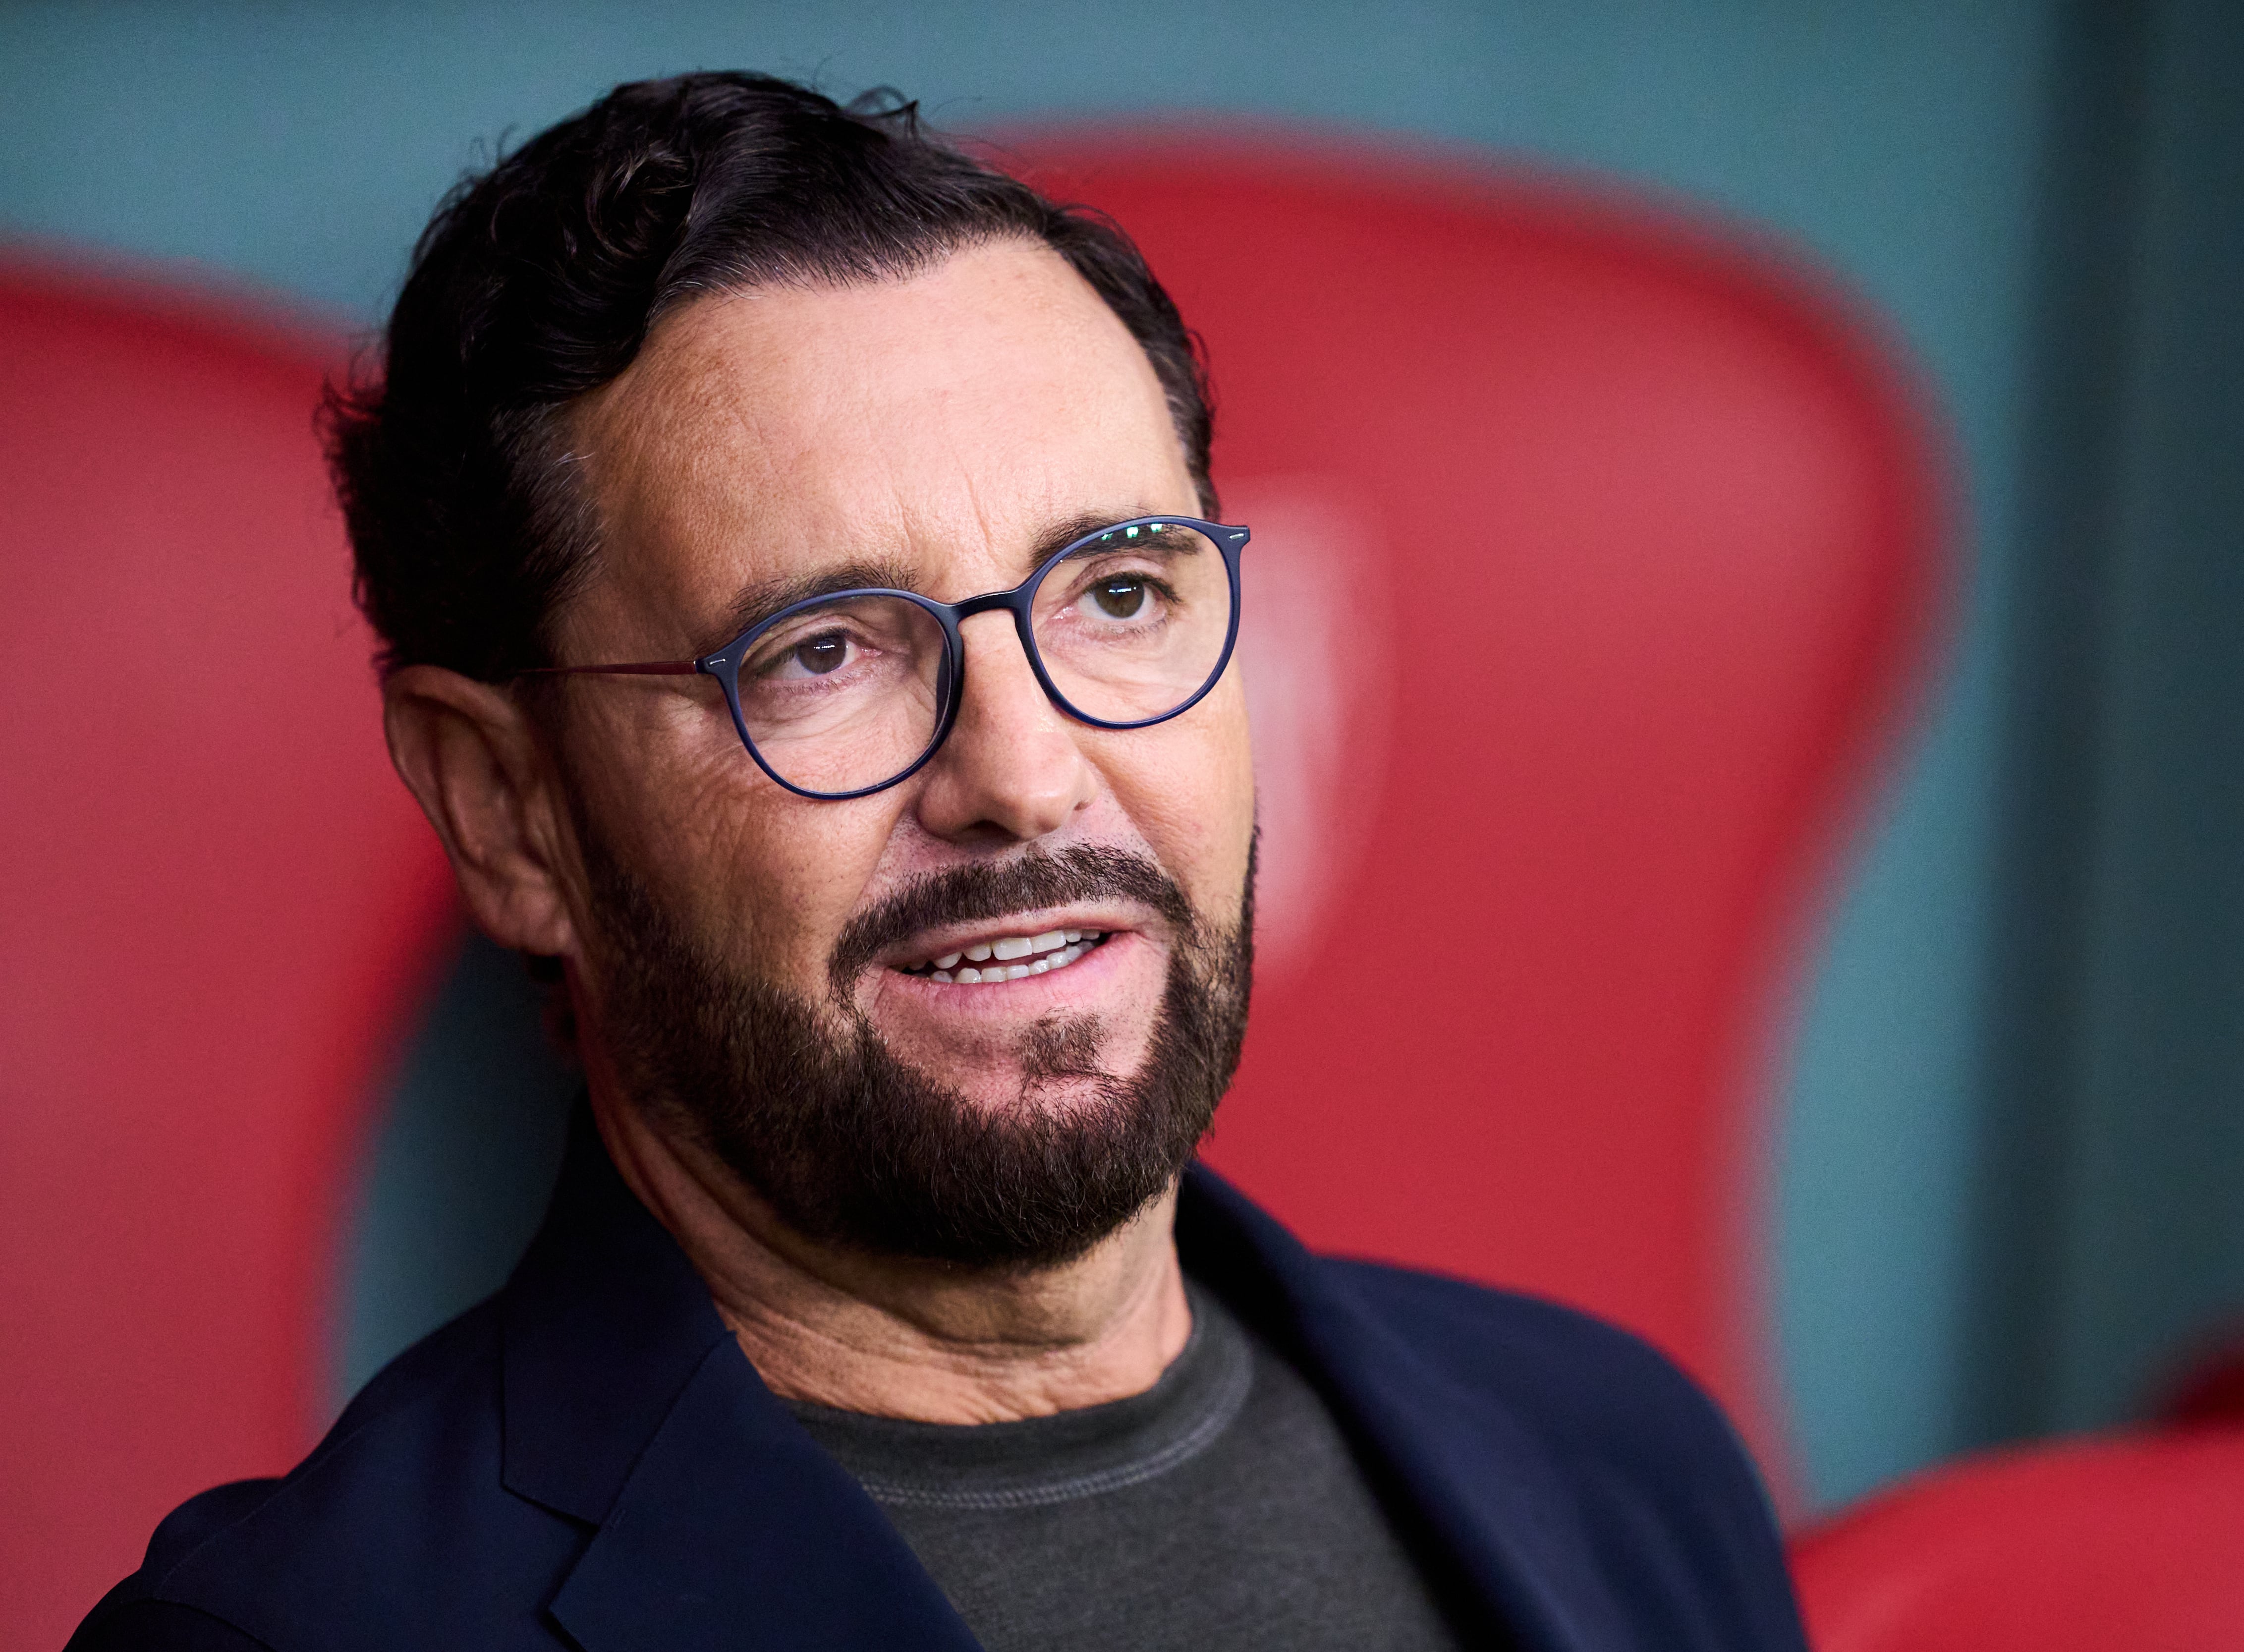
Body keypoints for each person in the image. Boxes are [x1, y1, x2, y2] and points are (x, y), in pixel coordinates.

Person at [72, 72, 1804, 1652]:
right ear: (508, 809)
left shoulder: (1624, 1463)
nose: (1026, 778)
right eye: (823, 650)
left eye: (1119, 592)